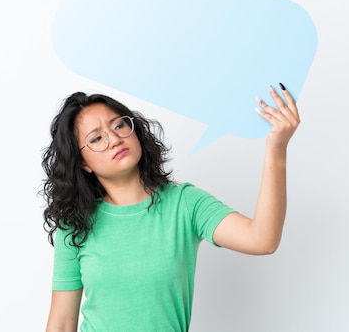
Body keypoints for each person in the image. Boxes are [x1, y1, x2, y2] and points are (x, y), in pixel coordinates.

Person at [41, 84, 300, 332]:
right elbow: (61, 324)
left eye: (119, 124)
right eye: (97, 138)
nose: (115, 139)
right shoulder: (75, 225)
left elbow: (262, 239)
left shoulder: (185, 204)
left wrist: (276, 148)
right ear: (83, 163)